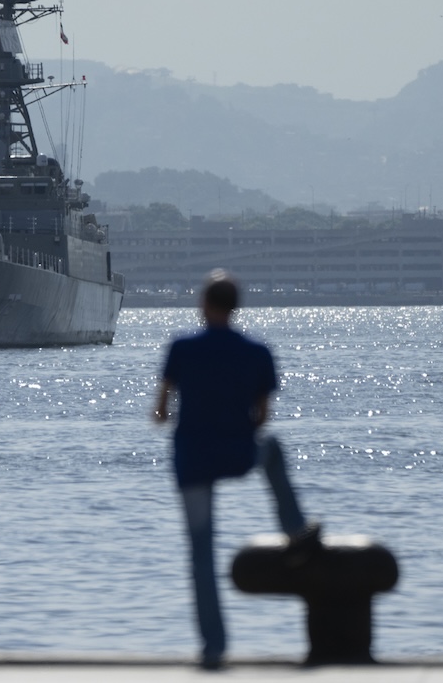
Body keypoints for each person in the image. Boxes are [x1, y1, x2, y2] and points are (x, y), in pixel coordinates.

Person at [154, 269, 319, 670]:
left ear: (204, 306)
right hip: (239, 453)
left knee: (201, 555)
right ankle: (295, 528)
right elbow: (262, 417)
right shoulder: (258, 352)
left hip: (192, 460)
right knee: (273, 449)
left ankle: (214, 649)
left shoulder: (180, 348)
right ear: (236, 307)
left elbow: (160, 412)